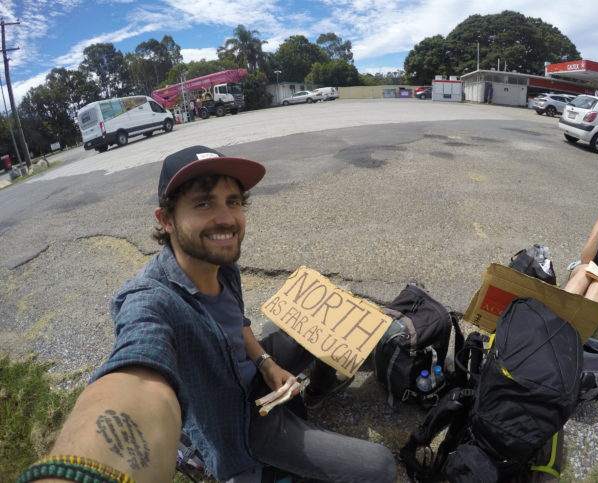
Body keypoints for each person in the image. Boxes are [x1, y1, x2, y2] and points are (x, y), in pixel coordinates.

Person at [18, 146, 396, 483]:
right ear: (165, 220)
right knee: (380, 466)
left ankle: (317, 390)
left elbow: (238, 323)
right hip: (243, 425)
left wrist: (265, 363)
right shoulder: (150, 301)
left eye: (233, 201)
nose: (227, 219)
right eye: (203, 203)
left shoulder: (221, 261)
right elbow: (138, 372)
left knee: (323, 319)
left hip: (255, 373)